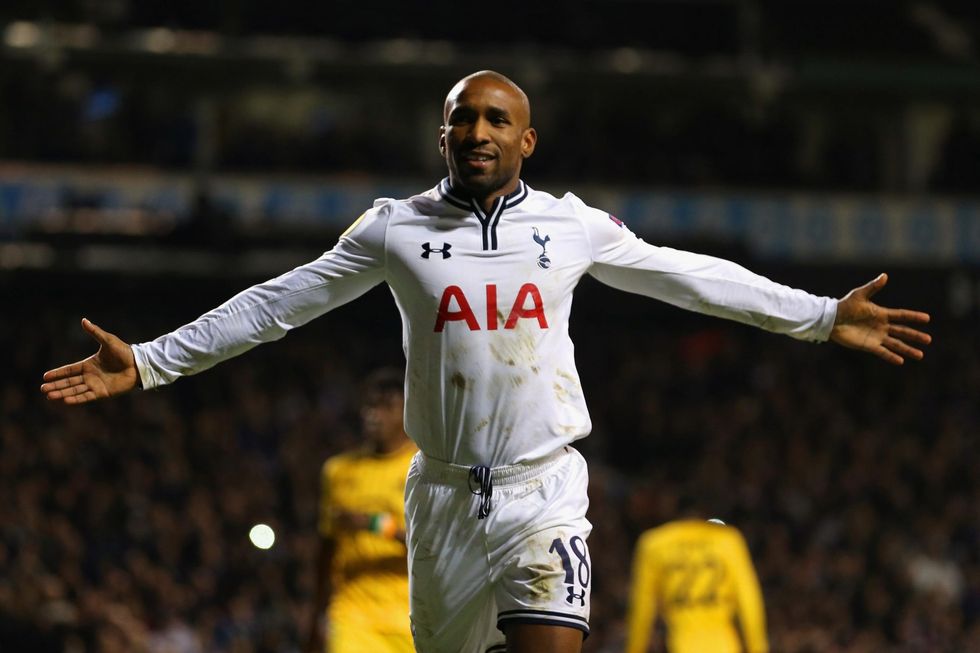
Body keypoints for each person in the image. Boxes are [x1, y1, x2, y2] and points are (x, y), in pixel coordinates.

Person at [41, 70, 931, 653]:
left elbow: (688, 278)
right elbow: (281, 302)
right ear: (443, 138)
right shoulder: (394, 227)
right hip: (438, 500)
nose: (478, 130)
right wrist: (154, 360)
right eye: (462, 118)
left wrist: (819, 316)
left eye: (497, 119)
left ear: (526, 141)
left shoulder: (571, 225)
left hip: (544, 495)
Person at [305, 367, 417, 653]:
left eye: (386, 406)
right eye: (369, 405)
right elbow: (326, 549)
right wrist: (315, 617)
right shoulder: (338, 470)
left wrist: (376, 524)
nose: (374, 414)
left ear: (407, 411)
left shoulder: (422, 468)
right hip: (353, 615)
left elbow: (434, 546)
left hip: (411, 616)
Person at [624, 497, 768, 653]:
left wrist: (634, 649)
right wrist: (757, 648)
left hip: (682, 645)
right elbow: (749, 599)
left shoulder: (654, 543)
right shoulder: (728, 540)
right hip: (725, 645)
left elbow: (642, 607)